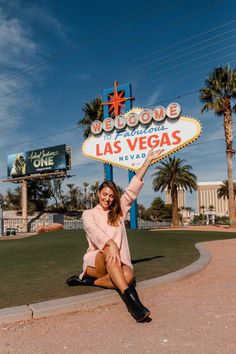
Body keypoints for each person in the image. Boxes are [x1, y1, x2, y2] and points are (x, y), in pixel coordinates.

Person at [66, 148, 164, 322]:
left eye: (111, 196)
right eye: (104, 194)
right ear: (98, 194)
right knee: (107, 251)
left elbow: (132, 190)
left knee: (128, 276)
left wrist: (148, 160)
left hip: (117, 261)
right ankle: (133, 303)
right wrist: (110, 243)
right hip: (95, 262)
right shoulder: (88, 214)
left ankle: (89, 282)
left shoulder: (118, 212)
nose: (108, 199)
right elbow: (95, 233)